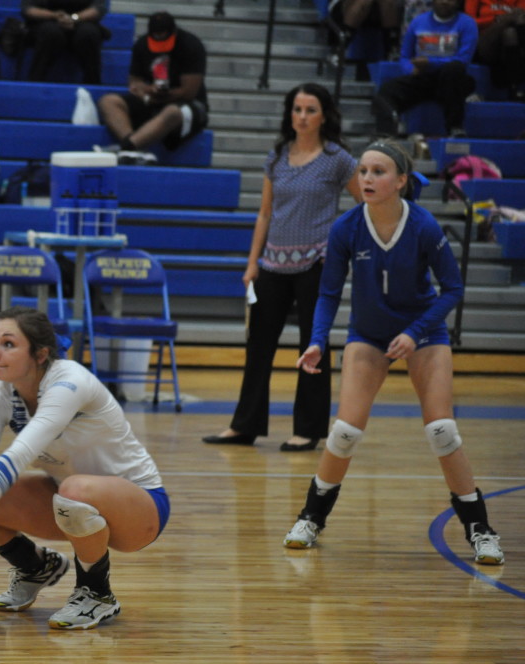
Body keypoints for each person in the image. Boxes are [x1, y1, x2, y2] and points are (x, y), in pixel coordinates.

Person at [282, 139, 504, 566]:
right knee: (344, 432)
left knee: (443, 431)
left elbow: (453, 289)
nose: (366, 178)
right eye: (363, 171)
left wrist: (416, 332)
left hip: (423, 335)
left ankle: (480, 529)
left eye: (378, 171)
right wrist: (316, 338)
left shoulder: (424, 227)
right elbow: (329, 292)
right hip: (367, 336)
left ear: (401, 180)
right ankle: (311, 518)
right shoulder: (347, 227)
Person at [0, 307, 169, 630]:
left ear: (40, 354)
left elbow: (17, 457)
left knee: (74, 490)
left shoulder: (70, 381)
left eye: (9, 344)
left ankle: (97, 593)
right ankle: (34, 566)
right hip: (69, 502)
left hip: (141, 507)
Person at [203, 83, 361, 452]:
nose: (302, 117)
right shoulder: (277, 157)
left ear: (324, 116)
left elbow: (363, 202)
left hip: (316, 265)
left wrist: (337, 247)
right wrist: (251, 263)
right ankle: (245, 425)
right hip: (272, 263)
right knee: (258, 346)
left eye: (310, 110)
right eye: (297, 109)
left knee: (313, 347)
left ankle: (308, 429)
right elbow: (264, 213)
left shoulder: (338, 159)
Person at [95, 11, 208, 165]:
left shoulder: (190, 45)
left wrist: (162, 95)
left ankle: (126, 147)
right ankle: (134, 150)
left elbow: (189, 92)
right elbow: (135, 82)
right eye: (156, 38)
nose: (160, 42)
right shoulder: (142, 44)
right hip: (154, 99)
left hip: (189, 104)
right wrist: (148, 91)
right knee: (108, 101)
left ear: (173, 32)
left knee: (172, 112)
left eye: (164, 38)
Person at [371, 0, 478, 138]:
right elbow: (404, 56)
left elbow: (463, 59)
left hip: (452, 79)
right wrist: (411, 70)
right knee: (387, 90)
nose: (445, 2)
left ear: (458, 3)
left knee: (454, 69)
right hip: (423, 77)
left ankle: (455, 127)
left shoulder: (467, 23)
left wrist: (430, 63)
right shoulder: (418, 22)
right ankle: (385, 134)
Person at [21, 0, 108, 85]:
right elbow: (28, 9)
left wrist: (73, 18)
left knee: (89, 33)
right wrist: (54, 16)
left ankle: (92, 84)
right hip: (46, 22)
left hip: (82, 21)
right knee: (50, 33)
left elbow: (97, 8)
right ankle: (35, 81)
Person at [465, 0, 525, 95]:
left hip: (509, 41)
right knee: (513, 19)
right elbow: (468, 22)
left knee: (510, 32)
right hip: (483, 42)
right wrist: (496, 19)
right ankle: (514, 86)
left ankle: (514, 87)